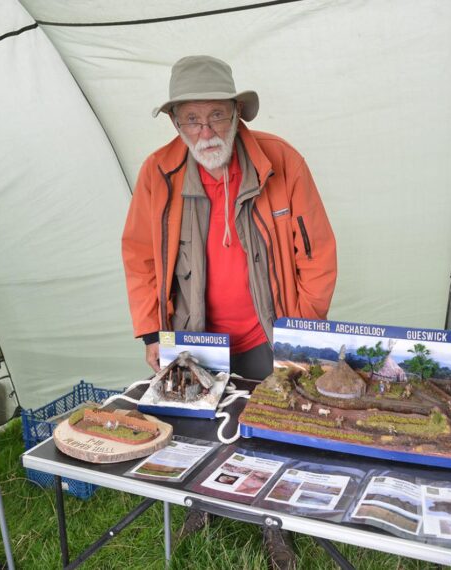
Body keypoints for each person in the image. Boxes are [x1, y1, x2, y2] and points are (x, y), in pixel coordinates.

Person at [121, 55, 337, 570]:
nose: (206, 130)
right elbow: (141, 256)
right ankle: (203, 503)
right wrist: (153, 332)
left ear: (237, 113)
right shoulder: (159, 171)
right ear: (176, 123)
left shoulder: (281, 161)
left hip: (269, 329)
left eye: (216, 115)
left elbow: (318, 254)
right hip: (194, 335)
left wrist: (300, 333)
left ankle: (274, 525)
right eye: (192, 119)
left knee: (274, 428)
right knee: (198, 428)